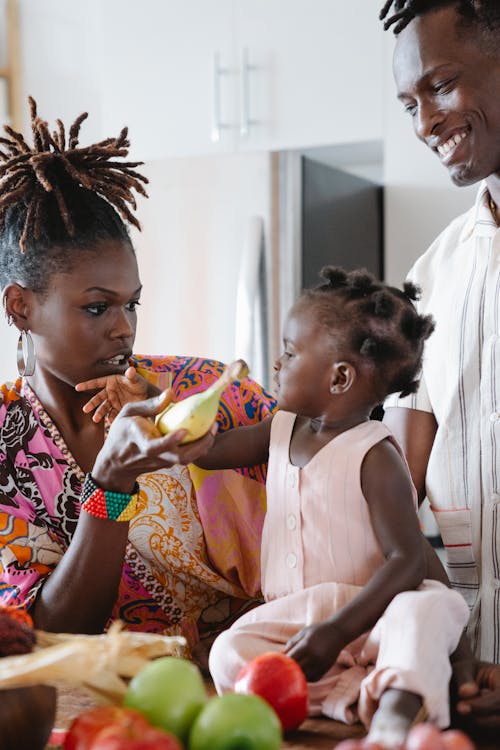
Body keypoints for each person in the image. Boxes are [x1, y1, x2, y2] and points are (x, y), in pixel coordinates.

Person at [0, 98, 275, 655]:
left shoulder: (202, 388)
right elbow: (46, 633)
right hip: (114, 715)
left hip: (265, 683)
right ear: (21, 307)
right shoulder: (7, 449)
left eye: (133, 304)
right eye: (98, 308)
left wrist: (212, 446)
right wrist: (110, 486)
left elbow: (329, 438)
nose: (125, 329)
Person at [192, 266, 469, 749]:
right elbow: (210, 450)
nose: (277, 365)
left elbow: (407, 559)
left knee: (426, 610)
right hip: (296, 616)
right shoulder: (281, 428)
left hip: (372, 614)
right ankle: (361, 697)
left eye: (290, 352)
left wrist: (338, 630)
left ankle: (393, 722)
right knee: (228, 651)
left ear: (339, 377)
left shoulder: (375, 454)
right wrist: (158, 416)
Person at [379, 0, 500, 732]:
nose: (425, 123)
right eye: (409, 104)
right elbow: (391, 483)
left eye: (442, 85)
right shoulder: (432, 275)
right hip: (465, 686)